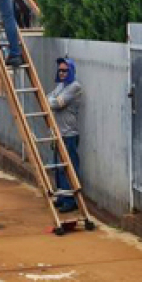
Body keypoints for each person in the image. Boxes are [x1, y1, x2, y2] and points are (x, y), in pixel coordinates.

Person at [47, 58, 82, 213]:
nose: (61, 73)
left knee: (68, 169)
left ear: (71, 71)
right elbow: (47, 97)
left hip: (69, 135)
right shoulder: (61, 86)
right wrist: (51, 100)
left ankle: (70, 200)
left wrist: (51, 100)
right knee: (58, 168)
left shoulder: (75, 87)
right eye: (60, 70)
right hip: (58, 133)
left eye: (65, 70)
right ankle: (62, 198)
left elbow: (55, 104)